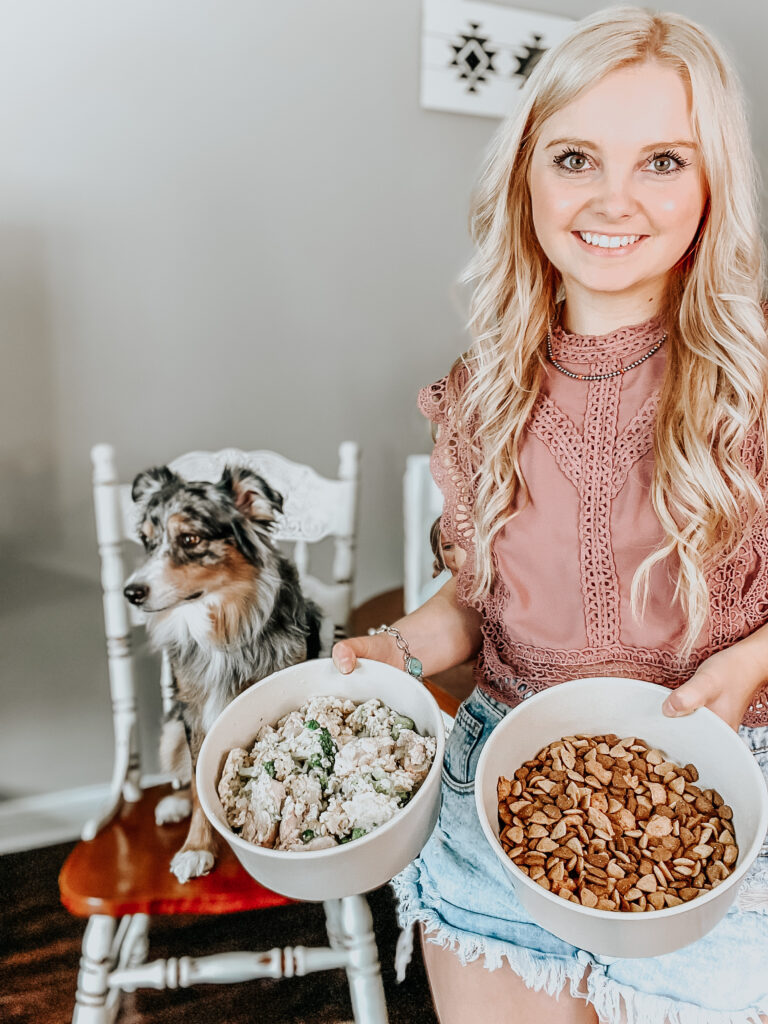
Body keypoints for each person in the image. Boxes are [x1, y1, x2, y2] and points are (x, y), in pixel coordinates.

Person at [334, 6, 768, 1023]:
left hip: (720, 793)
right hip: (504, 784)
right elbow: (483, 600)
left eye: (665, 160)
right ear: (526, 173)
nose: (616, 199)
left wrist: (750, 663)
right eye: (577, 156)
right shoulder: (481, 390)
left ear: (714, 186)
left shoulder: (753, 386)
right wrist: (398, 649)